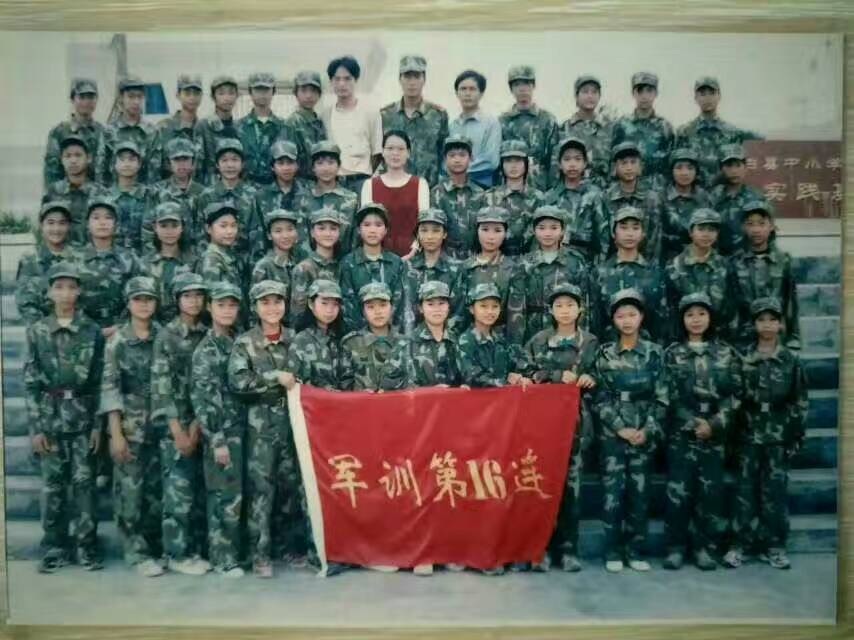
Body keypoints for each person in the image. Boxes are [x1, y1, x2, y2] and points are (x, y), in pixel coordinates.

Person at [24, 261, 104, 573]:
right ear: (49, 292)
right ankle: (54, 547)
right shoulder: (38, 331)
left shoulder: (92, 330)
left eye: (71, 287)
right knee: (53, 486)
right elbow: (31, 382)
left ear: (79, 291)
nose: (66, 293)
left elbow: (99, 381)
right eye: (59, 287)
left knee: (85, 484)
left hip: (83, 417)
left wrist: (97, 425)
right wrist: (36, 427)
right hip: (50, 418)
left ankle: (86, 547)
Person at [723, 297, 807, 571]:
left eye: (773, 320)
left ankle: (775, 546)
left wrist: (795, 435)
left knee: (775, 493)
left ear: (781, 324)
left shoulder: (791, 360)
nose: (767, 325)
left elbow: (799, 401)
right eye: (761, 320)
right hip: (748, 433)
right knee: (744, 492)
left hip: (779, 435)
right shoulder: (743, 358)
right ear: (754, 324)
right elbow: (734, 398)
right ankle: (739, 545)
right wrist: (733, 434)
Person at [663, 293, 742, 571]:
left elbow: (736, 394)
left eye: (701, 314)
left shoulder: (726, 353)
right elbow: (667, 394)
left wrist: (714, 423)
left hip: (715, 434)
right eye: (689, 315)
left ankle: (704, 549)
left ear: (711, 317)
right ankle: (675, 548)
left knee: (710, 494)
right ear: (682, 319)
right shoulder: (672, 353)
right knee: (678, 492)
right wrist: (692, 422)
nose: (696, 320)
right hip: (682, 433)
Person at [592, 288, 668, 573]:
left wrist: (646, 429)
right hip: (613, 434)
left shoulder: (655, 353)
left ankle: (636, 550)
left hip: (643, 432)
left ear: (642, 317)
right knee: (612, 494)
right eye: (621, 315)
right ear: (613, 320)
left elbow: (663, 397)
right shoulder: (604, 354)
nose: (627, 320)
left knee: (640, 493)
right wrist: (619, 428)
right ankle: (612, 550)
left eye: (632, 314)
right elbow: (598, 397)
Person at [228, 280, 299, 578]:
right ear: (255, 307)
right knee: (262, 489)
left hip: (294, 425)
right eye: (265, 302)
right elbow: (238, 382)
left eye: (277, 301)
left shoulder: (295, 338)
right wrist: (274, 377)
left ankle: (289, 547)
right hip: (260, 427)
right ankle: (260, 554)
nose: (272, 308)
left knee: (291, 486)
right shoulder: (245, 342)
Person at [525, 283, 598, 572]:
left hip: (577, 424)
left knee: (572, 489)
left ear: (580, 309)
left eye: (570, 305)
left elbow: (600, 373)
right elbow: (528, 373)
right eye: (559, 305)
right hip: (543, 424)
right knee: (541, 486)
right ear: (551, 310)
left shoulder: (590, 341)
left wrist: (591, 379)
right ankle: (540, 548)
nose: (565, 310)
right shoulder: (539, 340)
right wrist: (556, 375)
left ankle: (568, 550)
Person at [99, 276, 163, 577]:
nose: (144, 305)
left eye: (149, 299)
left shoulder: (164, 336)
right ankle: (136, 552)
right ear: (128, 303)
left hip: (161, 424)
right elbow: (110, 388)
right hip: (131, 425)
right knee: (130, 491)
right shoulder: (118, 341)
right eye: (138, 299)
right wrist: (116, 433)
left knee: (156, 492)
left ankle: (155, 548)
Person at [150, 272, 210, 576]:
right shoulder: (167, 336)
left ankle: (193, 549)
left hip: (201, 419)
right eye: (187, 296)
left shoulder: (206, 333)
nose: (194, 301)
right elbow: (162, 387)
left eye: (199, 295)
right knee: (178, 491)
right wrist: (177, 430)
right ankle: (176, 552)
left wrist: (198, 424)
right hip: (175, 422)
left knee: (197, 490)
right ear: (176, 300)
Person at [191, 281, 246, 578]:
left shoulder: (239, 340)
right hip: (222, 432)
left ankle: (237, 554)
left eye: (232, 305)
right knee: (223, 495)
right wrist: (217, 440)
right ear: (210, 308)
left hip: (243, 428)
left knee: (237, 494)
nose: (227, 311)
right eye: (221, 305)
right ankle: (223, 557)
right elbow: (204, 400)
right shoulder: (206, 350)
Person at [591, 206, 669, 344]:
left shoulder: (655, 273)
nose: (630, 233)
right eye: (624, 227)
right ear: (613, 232)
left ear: (643, 233)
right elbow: (596, 319)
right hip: (609, 349)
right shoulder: (600, 273)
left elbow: (661, 320)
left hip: (647, 349)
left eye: (635, 228)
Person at [730, 200, 800, 351]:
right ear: (743, 227)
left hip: (775, 335)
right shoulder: (735, 262)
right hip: (744, 337)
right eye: (750, 224)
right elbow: (731, 305)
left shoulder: (783, 261)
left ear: (771, 226)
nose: (756, 230)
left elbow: (791, 302)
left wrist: (793, 336)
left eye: (762, 224)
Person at [453, 206, 526, 343]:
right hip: (469, 341)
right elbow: (458, 312)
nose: (491, 236)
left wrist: (513, 349)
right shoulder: (466, 268)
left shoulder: (513, 269)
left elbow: (516, 316)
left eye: (497, 230)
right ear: (477, 231)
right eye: (485, 229)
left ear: (505, 233)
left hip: (500, 341)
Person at [675, 77, 763, 188]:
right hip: (695, 194)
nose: (707, 98)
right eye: (702, 94)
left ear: (719, 96)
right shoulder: (684, 132)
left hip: (723, 193)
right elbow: (676, 166)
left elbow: (763, 143)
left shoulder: (733, 132)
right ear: (696, 98)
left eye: (712, 93)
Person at [521, 205, 591, 340]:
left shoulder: (575, 261)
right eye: (542, 228)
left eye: (554, 228)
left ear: (562, 230)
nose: (547, 233)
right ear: (534, 230)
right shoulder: (525, 263)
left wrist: (582, 337)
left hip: (567, 330)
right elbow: (518, 307)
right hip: (533, 331)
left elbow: (584, 303)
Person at [665, 208, 734, 338]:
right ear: (691, 232)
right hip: (684, 337)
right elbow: (670, 308)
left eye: (711, 230)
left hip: (718, 336)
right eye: (701, 229)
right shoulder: (674, 266)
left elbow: (731, 306)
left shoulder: (725, 265)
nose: (706, 234)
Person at [77, 196, 140, 338]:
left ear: (116, 224)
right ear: (87, 224)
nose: (102, 222)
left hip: (123, 331)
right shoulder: (73, 260)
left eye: (108, 217)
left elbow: (139, 297)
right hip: (83, 332)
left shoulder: (130, 259)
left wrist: (121, 326)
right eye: (96, 217)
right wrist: (90, 329)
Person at [360, 130, 430, 257]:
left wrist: (414, 251)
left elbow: (424, 223)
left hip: (413, 255)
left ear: (408, 153)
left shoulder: (420, 184)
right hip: (379, 255)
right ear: (383, 152)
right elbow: (367, 226)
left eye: (401, 149)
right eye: (390, 148)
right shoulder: (369, 185)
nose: (395, 153)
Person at [380, 55, 448, 186]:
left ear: (424, 79)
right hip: (394, 185)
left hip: (429, 186)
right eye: (407, 76)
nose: (412, 82)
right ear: (400, 79)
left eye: (417, 76)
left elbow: (444, 153)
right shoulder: (386, 115)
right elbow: (380, 154)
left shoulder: (438, 114)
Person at [339, 203, 407, 332]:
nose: (372, 230)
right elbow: (348, 303)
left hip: (390, 334)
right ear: (359, 229)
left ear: (386, 230)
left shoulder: (396, 263)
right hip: (358, 335)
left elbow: (398, 301)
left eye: (378, 225)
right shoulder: (348, 263)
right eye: (367, 225)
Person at [321, 55, 383, 194]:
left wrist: (365, 177)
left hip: (362, 180)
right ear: (331, 82)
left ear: (356, 80)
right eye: (337, 79)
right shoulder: (325, 115)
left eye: (347, 78)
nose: (342, 84)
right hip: (334, 182)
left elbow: (377, 152)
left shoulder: (370, 112)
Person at [195, 138, 264, 261]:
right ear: (217, 164)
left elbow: (257, 233)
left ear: (242, 164)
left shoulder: (253, 195)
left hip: (244, 259)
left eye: (235, 160)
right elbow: (200, 233)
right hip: (214, 258)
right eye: (224, 160)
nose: (230, 165)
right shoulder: (206, 196)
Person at [339, 282, 414, 392]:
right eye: (371, 307)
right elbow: (344, 384)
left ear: (391, 308)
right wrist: (360, 393)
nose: (378, 312)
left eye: (383, 305)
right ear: (363, 311)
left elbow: (414, 383)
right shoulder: (351, 343)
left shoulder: (406, 343)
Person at [544, 136, 607, 263]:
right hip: (555, 261)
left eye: (578, 159)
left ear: (585, 163)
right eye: (567, 159)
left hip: (586, 261)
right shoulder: (550, 197)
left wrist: (601, 266)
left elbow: (603, 236)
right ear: (560, 164)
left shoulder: (594, 195)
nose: (572, 164)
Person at [15, 201, 79, 324]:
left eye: (62, 223)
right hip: (41, 329)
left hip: (76, 328)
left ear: (69, 226)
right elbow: (25, 303)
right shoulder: (30, 260)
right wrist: (47, 328)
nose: (56, 229)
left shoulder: (79, 257)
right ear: (41, 225)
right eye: (50, 223)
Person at [600, 141, 664, 263]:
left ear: (640, 167)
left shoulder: (651, 199)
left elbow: (654, 239)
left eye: (633, 162)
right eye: (624, 163)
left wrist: (649, 267)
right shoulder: (606, 198)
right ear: (615, 167)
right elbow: (603, 238)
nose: (629, 168)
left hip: (643, 263)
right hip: (613, 263)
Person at [499, 65, 558, 192]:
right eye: (517, 85)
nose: (522, 89)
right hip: (510, 188)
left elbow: (554, 158)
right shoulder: (503, 121)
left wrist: (553, 189)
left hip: (540, 186)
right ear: (511, 89)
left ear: (533, 86)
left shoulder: (547, 120)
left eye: (526, 83)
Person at [610, 71, 674, 186]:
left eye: (649, 90)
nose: (644, 96)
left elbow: (672, 161)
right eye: (640, 91)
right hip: (628, 188)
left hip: (657, 188)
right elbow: (613, 160)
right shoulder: (621, 125)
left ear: (656, 93)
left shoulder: (664, 127)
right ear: (633, 93)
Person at [293, 140, 358, 251]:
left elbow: (354, 238)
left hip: (344, 259)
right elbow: (300, 238)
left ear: (338, 166)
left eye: (331, 162)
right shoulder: (303, 198)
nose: (326, 168)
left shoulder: (351, 199)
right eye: (320, 163)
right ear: (313, 168)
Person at [96, 75, 161, 185]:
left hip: (144, 193)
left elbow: (155, 171)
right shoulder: (108, 131)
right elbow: (100, 170)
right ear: (121, 98)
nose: (136, 102)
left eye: (139, 97)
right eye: (131, 97)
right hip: (113, 193)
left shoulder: (152, 131)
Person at [485, 140, 545, 257]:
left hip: (530, 258)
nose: (513, 166)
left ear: (526, 163)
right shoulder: (489, 196)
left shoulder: (538, 198)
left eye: (518, 161)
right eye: (508, 161)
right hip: (497, 259)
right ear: (502, 164)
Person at [43, 134, 107, 245]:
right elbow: (45, 229)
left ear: (89, 158)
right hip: (63, 252)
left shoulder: (101, 193)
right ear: (61, 160)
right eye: (68, 156)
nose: (73, 160)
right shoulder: (53, 192)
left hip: (92, 252)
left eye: (78, 155)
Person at [139, 202, 196, 324]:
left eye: (175, 225)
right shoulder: (144, 264)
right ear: (155, 227)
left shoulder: (194, 262)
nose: (169, 231)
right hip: (152, 325)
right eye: (164, 226)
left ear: (182, 227)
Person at [430, 134, 486, 260]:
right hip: (444, 259)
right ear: (445, 159)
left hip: (475, 259)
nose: (457, 160)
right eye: (452, 155)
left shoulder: (480, 193)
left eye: (462, 155)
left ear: (471, 158)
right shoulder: (436, 193)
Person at [405, 208, 461, 331]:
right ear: (417, 234)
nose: (429, 236)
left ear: (444, 234)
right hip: (413, 335)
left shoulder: (457, 269)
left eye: (436, 231)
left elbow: (458, 311)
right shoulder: (406, 267)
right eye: (424, 230)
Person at [44, 78, 104, 188]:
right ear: (72, 100)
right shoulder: (60, 132)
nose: (86, 102)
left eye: (90, 97)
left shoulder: (104, 132)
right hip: (66, 194)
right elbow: (51, 173)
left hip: (98, 195)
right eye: (82, 97)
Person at [147, 138, 205, 251]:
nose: (181, 164)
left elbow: (207, 229)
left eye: (186, 159)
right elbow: (148, 228)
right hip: (165, 252)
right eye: (176, 160)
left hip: (195, 254)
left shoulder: (203, 193)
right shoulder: (157, 191)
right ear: (169, 163)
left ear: (193, 162)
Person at [554, 75, 612, 187]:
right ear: (576, 96)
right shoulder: (564, 129)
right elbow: (556, 165)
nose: (590, 96)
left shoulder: (609, 128)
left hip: (605, 190)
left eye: (594, 92)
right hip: (573, 190)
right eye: (585, 92)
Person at [197, 201, 249, 324]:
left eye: (233, 226)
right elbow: (213, 302)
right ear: (208, 229)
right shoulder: (212, 259)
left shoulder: (231, 255)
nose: (230, 231)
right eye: (223, 226)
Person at [287, 278, 344, 390]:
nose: (329, 310)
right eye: (324, 303)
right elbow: (294, 382)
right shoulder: (301, 340)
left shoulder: (341, 337)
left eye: (335, 304)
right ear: (311, 303)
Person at [449, 69, 501, 188]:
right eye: (463, 89)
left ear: (481, 93)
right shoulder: (452, 125)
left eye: (472, 89)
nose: (467, 93)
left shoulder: (491, 123)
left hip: (482, 188)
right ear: (457, 93)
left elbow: (491, 161)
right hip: (455, 188)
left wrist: (460, 171)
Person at [710, 144, 764, 256]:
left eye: (738, 165)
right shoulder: (712, 197)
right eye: (729, 166)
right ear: (721, 168)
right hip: (718, 259)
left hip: (747, 259)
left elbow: (766, 231)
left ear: (745, 167)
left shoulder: (756, 198)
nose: (734, 171)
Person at [289, 208, 343, 320]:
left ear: (339, 232)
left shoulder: (342, 266)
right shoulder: (304, 269)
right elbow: (297, 313)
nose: (328, 233)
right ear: (312, 233)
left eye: (333, 229)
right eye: (321, 228)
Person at [661, 148, 712, 262]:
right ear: (671, 171)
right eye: (679, 168)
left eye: (690, 168)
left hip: (699, 258)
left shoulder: (704, 197)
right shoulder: (661, 197)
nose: (685, 173)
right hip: (668, 259)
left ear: (696, 171)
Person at [409, 280, 462, 387]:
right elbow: (403, 386)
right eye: (430, 304)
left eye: (441, 303)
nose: (437, 309)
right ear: (420, 308)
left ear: (448, 307)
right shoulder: (408, 342)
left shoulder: (458, 340)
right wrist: (433, 392)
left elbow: (467, 377)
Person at [254, 140, 310, 237]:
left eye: (290, 162)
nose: (286, 168)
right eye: (280, 163)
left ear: (297, 165)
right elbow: (258, 232)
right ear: (272, 167)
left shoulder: (309, 193)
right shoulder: (262, 196)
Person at [238, 72, 285, 186]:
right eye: (258, 90)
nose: (262, 94)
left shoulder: (283, 126)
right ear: (250, 92)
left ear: (273, 92)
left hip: (275, 187)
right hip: (246, 188)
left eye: (266, 90)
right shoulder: (239, 126)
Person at [108, 139, 155, 252]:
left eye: (131, 159)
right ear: (114, 164)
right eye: (122, 159)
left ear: (139, 164)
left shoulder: (149, 195)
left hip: (143, 255)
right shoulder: (105, 196)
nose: (127, 164)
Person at [156, 74, 204, 181]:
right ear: (178, 95)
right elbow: (155, 166)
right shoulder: (163, 128)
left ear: (201, 96)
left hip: (197, 188)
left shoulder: (203, 128)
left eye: (196, 93)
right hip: (169, 188)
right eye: (187, 93)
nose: (192, 97)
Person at [195, 75, 241, 185]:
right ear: (213, 97)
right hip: (210, 186)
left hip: (236, 186)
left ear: (237, 96)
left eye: (231, 93)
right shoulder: (204, 126)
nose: (227, 98)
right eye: (221, 93)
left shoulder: (240, 127)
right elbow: (197, 165)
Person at [282, 70, 327, 180]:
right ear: (296, 93)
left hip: (321, 180)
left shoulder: (319, 122)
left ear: (319, 94)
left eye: (313, 91)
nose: (308, 95)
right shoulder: (292, 123)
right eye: (304, 90)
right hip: (300, 182)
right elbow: (286, 160)